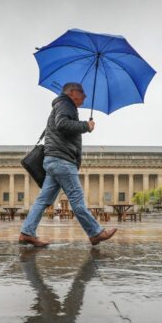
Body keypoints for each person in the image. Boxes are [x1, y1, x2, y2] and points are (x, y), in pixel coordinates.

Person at [19, 83, 117, 247]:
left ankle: (27, 233)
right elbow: (62, 124)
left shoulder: (60, 105)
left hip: (52, 160)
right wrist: (86, 125)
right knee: (77, 201)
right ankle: (96, 233)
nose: (85, 96)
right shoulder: (65, 104)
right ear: (72, 93)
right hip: (62, 160)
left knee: (43, 201)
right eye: (82, 93)